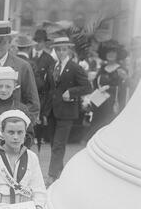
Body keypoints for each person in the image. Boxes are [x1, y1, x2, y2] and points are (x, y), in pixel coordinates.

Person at [45, 37, 91, 187]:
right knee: (54, 144)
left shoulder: (75, 67)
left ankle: (51, 176)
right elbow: (49, 89)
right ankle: (60, 172)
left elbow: (87, 87)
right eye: (57, 49)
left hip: (67, 112)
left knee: (58, 144)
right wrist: (44, 112)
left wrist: (71, 92)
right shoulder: (53, 66)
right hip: (52, 111)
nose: (60, 52)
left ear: (69, 50)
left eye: (63, 49)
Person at [86, 40, 128, 141]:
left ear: (118, 54)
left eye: (113, 52)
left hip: (113, 103)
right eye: (109, 52)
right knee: (96, 124)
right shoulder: (102, 69)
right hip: (100, 101)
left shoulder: (121, 69)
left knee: (108, 124)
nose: (111, 55)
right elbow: (96, 84)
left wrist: (109, 88)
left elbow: (123, 87)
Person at [32, 29, 56, 146]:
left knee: (38, 117)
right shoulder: (27, 55)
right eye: (36, 41)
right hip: (26, 91)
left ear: (44, 43)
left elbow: (51, 81)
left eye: (40, 41)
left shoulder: (49, 59)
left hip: (41, 93)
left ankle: (38, 136)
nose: (37, 43)